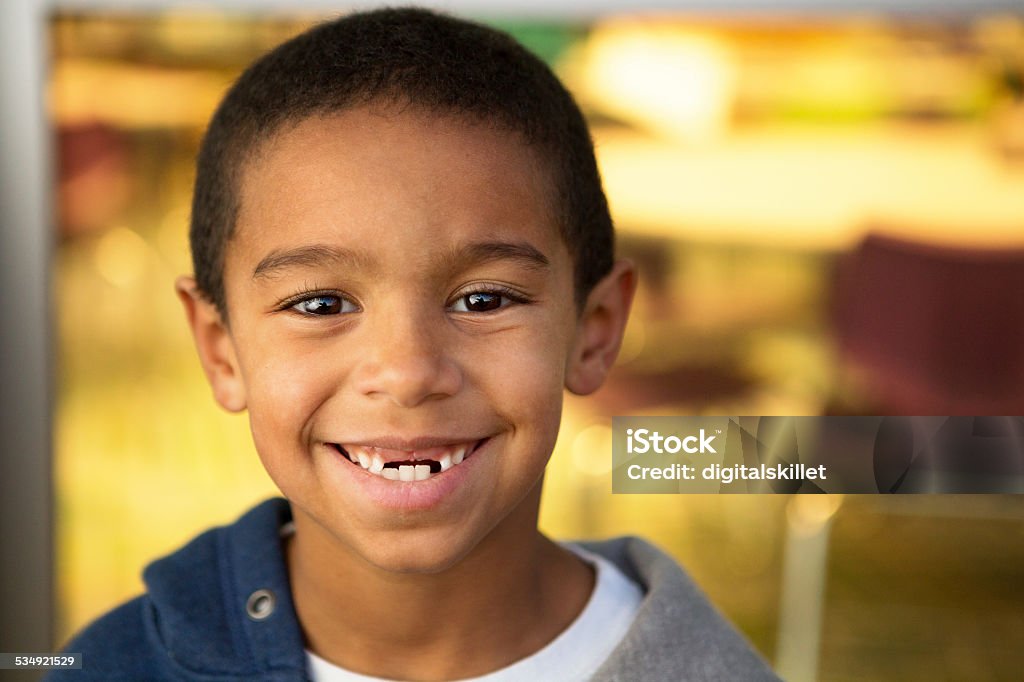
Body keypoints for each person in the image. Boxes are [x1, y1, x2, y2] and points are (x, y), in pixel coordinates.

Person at [50, 8, 779, 681]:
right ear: (221, 349)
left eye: (485, 300)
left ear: (593, 332)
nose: (406, 373)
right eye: (321, 304)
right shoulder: (116, 665)